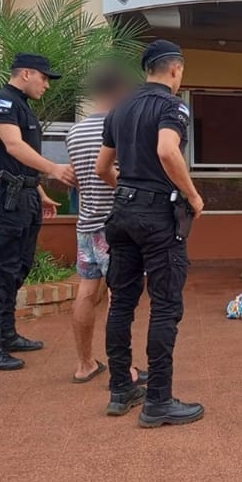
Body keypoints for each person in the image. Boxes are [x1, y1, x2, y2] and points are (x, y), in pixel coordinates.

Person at [96, 39, 206, 427]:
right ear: (175, 70)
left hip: (122, 212)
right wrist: (193, 196)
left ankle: (120, 389)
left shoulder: (119, 108)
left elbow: (101, 168)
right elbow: (166, 150)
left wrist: (127, 191)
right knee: (164, 305)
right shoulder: (173, 106)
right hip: (158, 215)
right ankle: (158, 400)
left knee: (122, 303)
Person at [0, 53, 77, 371]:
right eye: (44, 78)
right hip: (7, 199)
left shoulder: (22, 106)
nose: (47, 84)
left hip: (25, 196)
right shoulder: (0, 101)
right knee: (1, 270)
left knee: (19, 267)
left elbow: (20, 162)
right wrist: (54, 169)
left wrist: (41, 191)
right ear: (27, 73)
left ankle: (6, 335)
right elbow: (14, 147)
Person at [66, 66, 148, 385]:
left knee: (86, 291)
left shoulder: (73, 133)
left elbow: (76, 177)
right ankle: (123, 369)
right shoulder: (122, 128)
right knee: (119, 297)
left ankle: (84, 364)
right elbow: (115, 172)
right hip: (117, 227)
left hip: (86, 225)